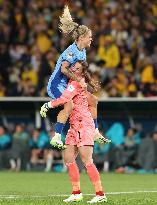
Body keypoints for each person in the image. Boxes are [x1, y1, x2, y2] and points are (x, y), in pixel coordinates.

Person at [40, 61, 107, 203]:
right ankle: (76, 193)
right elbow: (91, 100)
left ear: (82, 72)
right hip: (74, 126)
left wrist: (48, 104)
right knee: (69, 159)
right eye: (73, 67)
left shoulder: (76, 83)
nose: (73, 70)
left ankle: (100, 194)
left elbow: (64, 99)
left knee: (87, 161)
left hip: (84, 125)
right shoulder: (76, 82)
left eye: (77, 68)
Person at [44, 5, 106, 149]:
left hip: (70, 85)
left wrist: (90, 82)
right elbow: (64, 69)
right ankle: (56, 137)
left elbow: (82, 70)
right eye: (89, 37)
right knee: (69, 105)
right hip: (57, 84)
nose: (91, 40)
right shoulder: (71, 52)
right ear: (82, 37)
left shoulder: (82, 51)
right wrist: (79, 80)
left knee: (93, 100)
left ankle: (95, 131)